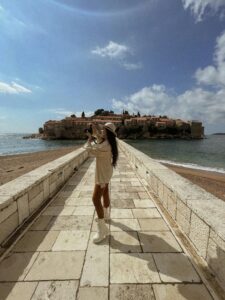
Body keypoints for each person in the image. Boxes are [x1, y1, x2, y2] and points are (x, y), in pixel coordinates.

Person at [84, 122, 118, 243]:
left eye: (103, 130)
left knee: (95, 199)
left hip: (102, 175)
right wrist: (94, 131)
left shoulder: (105, 146)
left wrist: (89, 139)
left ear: (108, 133)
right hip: (106, 172)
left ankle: (102, 229)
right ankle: (106, 214)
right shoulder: (108, 142)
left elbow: (89, 149)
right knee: (105, 193)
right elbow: (99, 138)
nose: (101, 131)